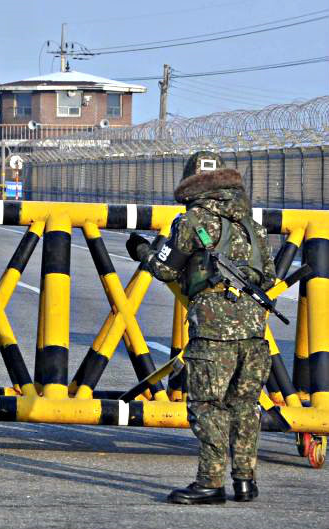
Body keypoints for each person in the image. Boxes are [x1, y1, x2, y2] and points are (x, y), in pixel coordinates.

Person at [127, 151, 276, 505]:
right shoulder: (251, 226)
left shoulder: (193, 220)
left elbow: (165, 268)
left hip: (212, 331)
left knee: (207, 406)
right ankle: (245, 480)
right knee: (244, 406)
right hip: (255, 330)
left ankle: (210, 483)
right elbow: (268, 276)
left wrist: (141, 250)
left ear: (190, 183)